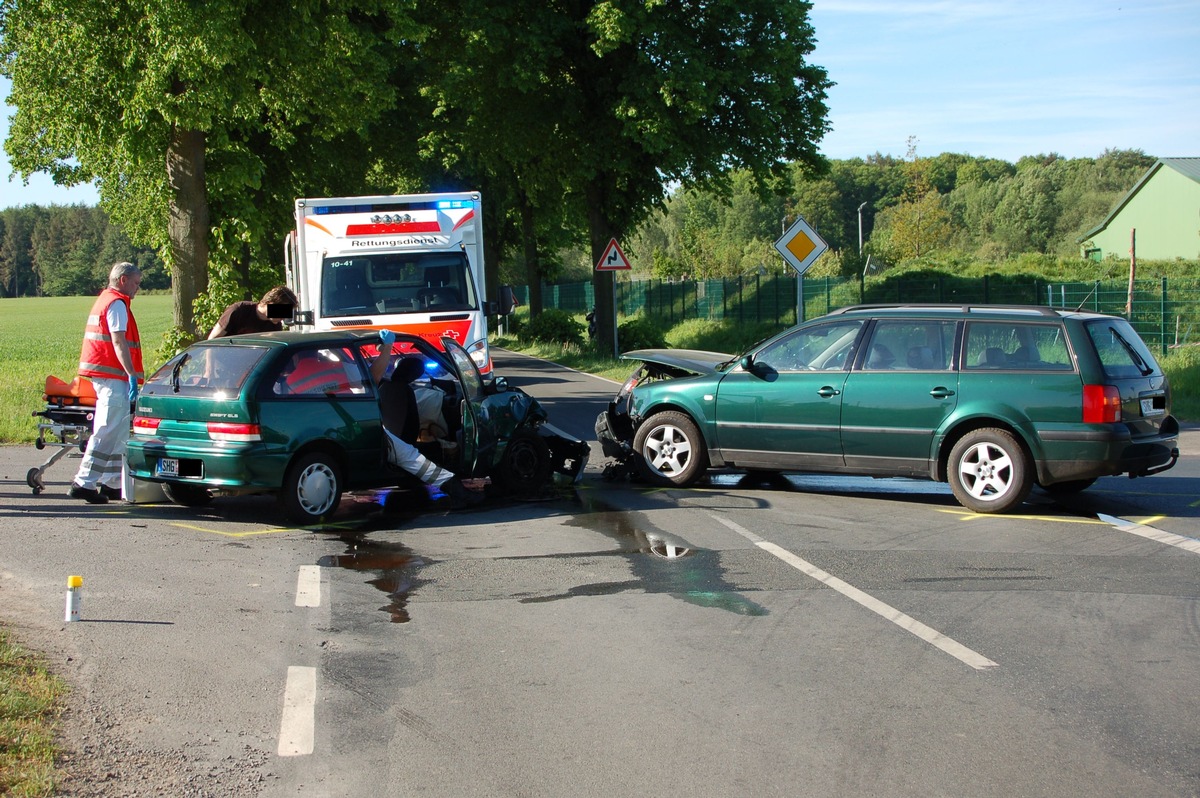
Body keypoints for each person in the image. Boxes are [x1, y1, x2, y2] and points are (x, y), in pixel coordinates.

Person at [370, 330, 483, 508]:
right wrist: (387, 348)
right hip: (374, 432)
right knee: (414, 459)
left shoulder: (386, 387)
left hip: (371, 428)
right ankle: (459, 492)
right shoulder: (405, 391)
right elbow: (372, 377)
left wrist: (384, 348)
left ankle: (458, 490)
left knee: (412, 458)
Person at [69, 261, 143, 503]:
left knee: (119, 429)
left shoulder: (106, 299)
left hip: (107, 374)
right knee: (107, 429)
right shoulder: (117, 304)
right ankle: (84, 482)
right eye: (135, 283)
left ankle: (111, 483)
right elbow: (119, 341)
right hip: (112, 375)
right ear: (123, 280)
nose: (137, 288)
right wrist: (131, 372)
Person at [207, 285, 298, 338]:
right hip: (223, 364)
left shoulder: (275, 327)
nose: (284, 318)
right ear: (271, 303)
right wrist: (209, 369)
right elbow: (212, 340)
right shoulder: (239, 310)